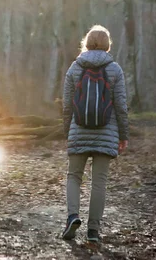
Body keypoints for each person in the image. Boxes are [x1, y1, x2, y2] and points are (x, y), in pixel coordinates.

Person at [61, 25, 129, 243]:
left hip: (79, 129)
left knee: (74, 176)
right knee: (99, 181)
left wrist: (67, 131)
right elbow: (121, 106)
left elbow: (66, 105)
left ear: (87, 43)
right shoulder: (115, 69)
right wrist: (123, 135)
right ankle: (93, 231)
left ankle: (73, 216)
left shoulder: (75, 68)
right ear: (108, 44)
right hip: (106, 132)